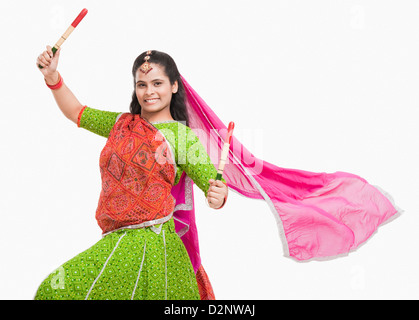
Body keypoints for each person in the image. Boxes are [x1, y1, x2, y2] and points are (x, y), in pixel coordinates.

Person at [34, 46, 228, 300]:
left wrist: (219, 194)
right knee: (54, 290)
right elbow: (77, 113)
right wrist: (52, 76)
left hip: (156, 248)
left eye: (157, 83)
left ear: (174, 86)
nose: (149, 92)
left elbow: (212, 184)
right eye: (142, 84)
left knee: (55, 291)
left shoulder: (183, 138)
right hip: (117, 240)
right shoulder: (121, 124)